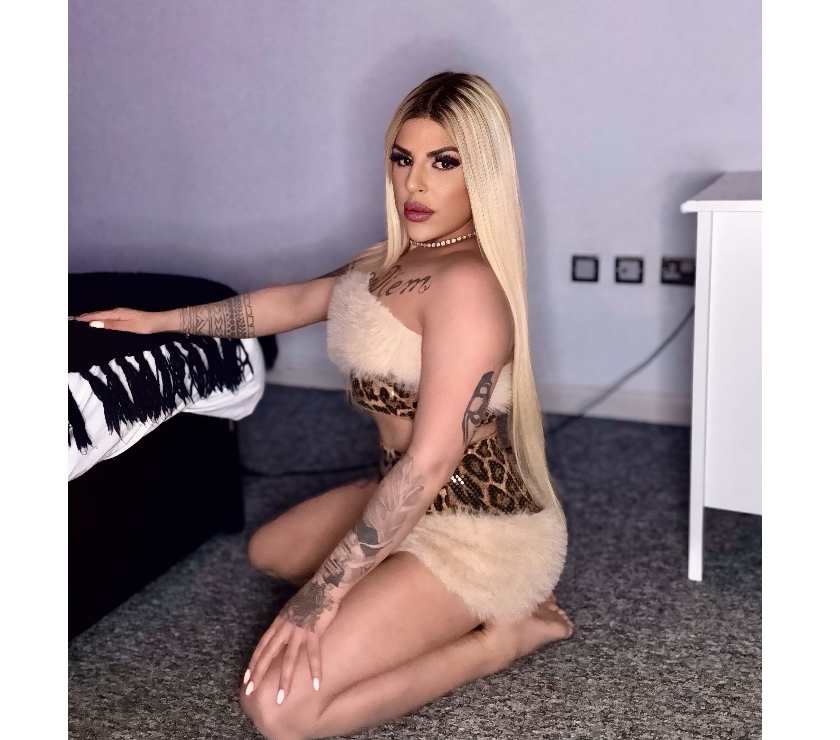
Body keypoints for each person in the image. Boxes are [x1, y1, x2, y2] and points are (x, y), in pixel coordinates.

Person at [75, 72, 573, 740]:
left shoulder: (468, 289)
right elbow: (291, 302)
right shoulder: (391, 262)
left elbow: (428, 465)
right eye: (403, 158)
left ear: (481, 172)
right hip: (402, 493)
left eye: (443, 162)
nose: (414, 184)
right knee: (271, 552)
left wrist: (323, 596)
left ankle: (504, 637)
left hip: (475, 531)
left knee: (280, 710)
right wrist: (161, 322)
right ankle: (399, 575)